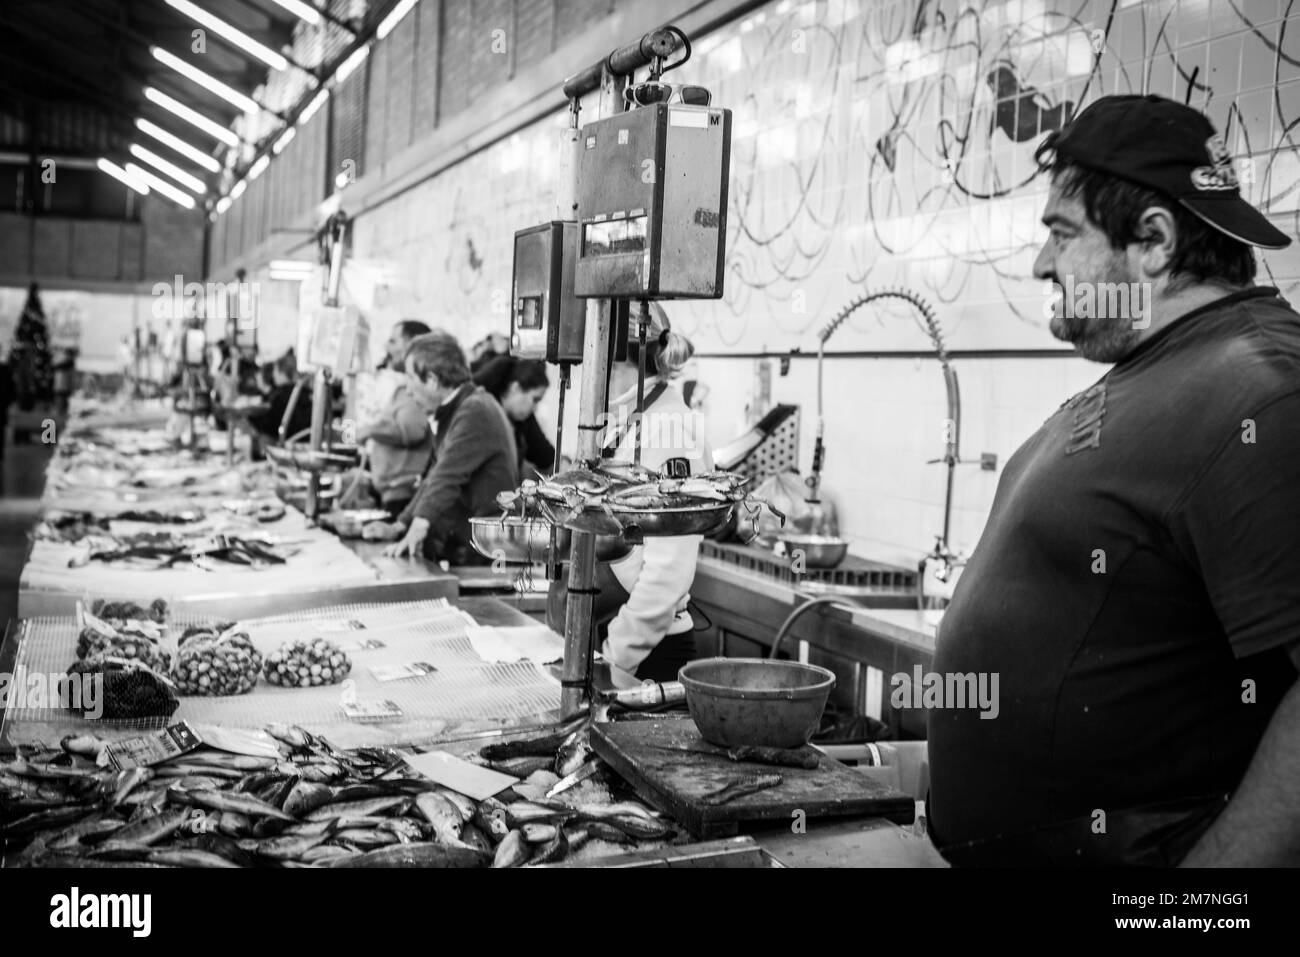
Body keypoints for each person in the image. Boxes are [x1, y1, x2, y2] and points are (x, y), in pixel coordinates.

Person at [927, 95, 1299, 866]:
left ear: (1153, 241)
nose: (1039, 264)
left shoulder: (1262, 389)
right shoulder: (1168, 364)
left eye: (1061, 233)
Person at [546, 303, 712, 686]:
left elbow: (667, 573)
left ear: (611, 356)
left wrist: (616, 661)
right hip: (608, 636)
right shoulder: (624, 417)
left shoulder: (670, 430)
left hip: (647, 657)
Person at [363, 334, 519, 565]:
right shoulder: (456, 410)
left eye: (410, 378)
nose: (407, 389)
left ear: (433, 380)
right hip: (471, 545)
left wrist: (418, 527)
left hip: (488, 552)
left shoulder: (474, 410)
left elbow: (447, 476)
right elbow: (434, 476)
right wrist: (401, 524)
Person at [350, 320, 438, 515]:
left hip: (405, 496)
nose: (386, 347)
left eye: (393, 341)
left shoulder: (414, 389)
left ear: (413, 344)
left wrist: (370, 430)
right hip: (392, 493)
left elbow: (412, 430)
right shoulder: (396, 383)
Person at [472, 355, 555, 479]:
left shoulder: (523, 420)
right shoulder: (480, 413)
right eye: (535, 399)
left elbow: (545, 456)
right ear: (515, 388)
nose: (535, 407)